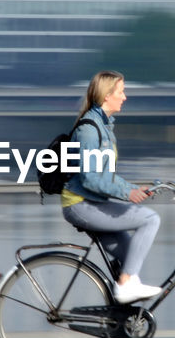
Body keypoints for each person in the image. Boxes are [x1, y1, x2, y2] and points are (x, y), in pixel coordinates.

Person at [61, 71, 162, 322]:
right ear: (107, 96)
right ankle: (126, 286)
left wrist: (133, 188)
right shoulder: (89, 130)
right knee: (150, 219)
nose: (125, 97)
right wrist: (128, 192)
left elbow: (106, 175)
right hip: (81, 205)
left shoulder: (104, 127)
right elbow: (90, 178)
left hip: (95, 203)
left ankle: (125, 331)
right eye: (121, 92)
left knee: (131, 259)